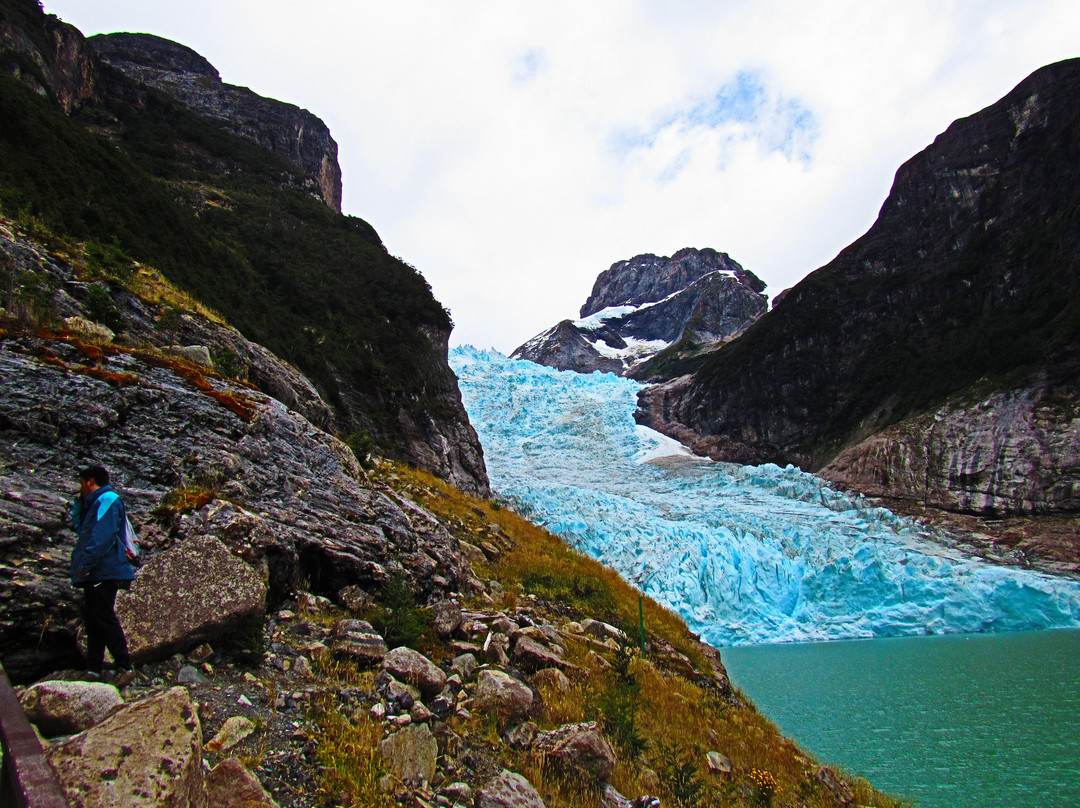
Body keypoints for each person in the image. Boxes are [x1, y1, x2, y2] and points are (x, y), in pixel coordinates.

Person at [69, 464, 135, 680]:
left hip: (104, 570)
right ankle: (93, 667)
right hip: (99, 571)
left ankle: (124, 666)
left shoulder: (107, 500)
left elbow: (102, 537)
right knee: (93, 618)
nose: (81, 487)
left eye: (82, 482)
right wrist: (79, 503)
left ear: (90, 481)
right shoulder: (95, 502)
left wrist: (84, 566)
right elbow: (81, 529)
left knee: (104, 618)